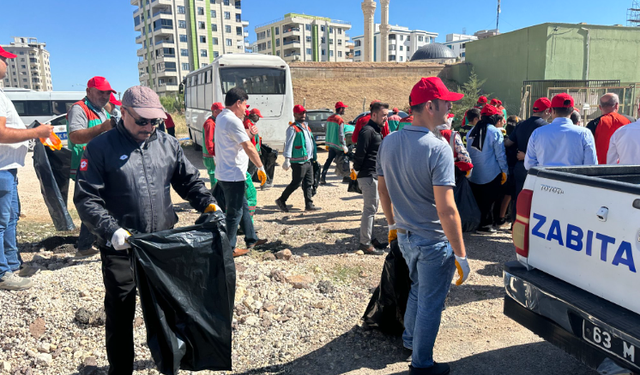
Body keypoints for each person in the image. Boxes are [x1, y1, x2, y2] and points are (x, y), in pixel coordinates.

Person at [73, 86, 218, 374]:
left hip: (160, 244)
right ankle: (121, 370)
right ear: (123, 112)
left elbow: (189, 182)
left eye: (155, 121)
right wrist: (112, 230)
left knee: (167, 309)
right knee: (121, 310)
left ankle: (170, 366)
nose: (149, 127)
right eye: (142, 121)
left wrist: (208, 204)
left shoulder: (167, 144)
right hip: (120, 246)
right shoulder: (100, 148)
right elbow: (86, 198)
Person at [377, 77, 470, 375]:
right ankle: (422, 365)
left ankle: (410, 340)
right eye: (446, 103)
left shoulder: (390, 140)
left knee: (418, 289)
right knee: (430, 302)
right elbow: (447, 209)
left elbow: (383, 188)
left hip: (405, 236)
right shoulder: (438, 147)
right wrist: (461, 255)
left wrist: (392, 223)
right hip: (433, 240)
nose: (449, 108)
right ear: (430, 106)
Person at [0, 46, 54, 290]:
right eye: (4, 59)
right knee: (1, 221)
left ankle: (12, 264)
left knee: (10, 218)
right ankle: (2, 273)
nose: (7, 64)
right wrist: (36, 132)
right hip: (1, 169)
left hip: (8, 168)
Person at [67, 76, 117, 259]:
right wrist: (103, 128)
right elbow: (75, 137)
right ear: (88, 91)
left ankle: (93, 242)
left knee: (104, 203)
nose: (105, 96)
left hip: (102, 165)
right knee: (90, 204)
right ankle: (85, 246)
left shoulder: (103, 110)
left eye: (108, 93)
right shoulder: (80, 109)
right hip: (87, 166)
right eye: (100, 92)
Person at [215, 87, 268, 257]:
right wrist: (261, 167)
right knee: (234, 212)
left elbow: (237, 137)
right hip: (233, 174)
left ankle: (251, 238)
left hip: (226, 172)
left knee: (243, 206)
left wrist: (248, 133)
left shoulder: (223, 117)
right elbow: (248, 147)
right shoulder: (233, 120)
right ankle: (229, 248)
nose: (246, 109)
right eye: (245, 105)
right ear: (238, 103)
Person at [504, 97, 551, 220]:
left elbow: (508, 143)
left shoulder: (521, 124)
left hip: (520, 166)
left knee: (519, 197)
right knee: (536, 200)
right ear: (546, 111)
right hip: (537, 168)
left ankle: (515, 224)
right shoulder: (546, 127)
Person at [353, 101, 390, 255]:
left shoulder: (375, 131)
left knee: (373, 209)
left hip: (373, 175)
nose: (385, 119)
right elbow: (359, 155)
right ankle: (365, 243)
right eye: (383, 115)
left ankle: (371, 239)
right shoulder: (367, 131)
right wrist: (360, 171)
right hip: (368, 175)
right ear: (374, 115)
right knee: (370, 209)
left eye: (387, 116)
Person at [525, 93, 597, 170]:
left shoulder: (537, 133)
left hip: (544, 179)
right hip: (573, 180)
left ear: (552, 110)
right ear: (572, 111)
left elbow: (529, 165)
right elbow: (591, 165)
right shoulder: (585, 133)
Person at [466, 104, 508, 232]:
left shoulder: (471, 131)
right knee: (489, 201)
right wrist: (505, 171)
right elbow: (500, 154)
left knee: (477, 200)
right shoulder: (495, 132)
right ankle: (486, 224)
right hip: (491, 173)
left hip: (474, 174)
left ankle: (476, 224)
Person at [275, 105, 321, 212]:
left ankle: (309, 204)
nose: (303, 115)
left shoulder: (306, 127)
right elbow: (289, 144)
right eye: (300, 113)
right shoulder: (292, 128)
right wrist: (287, 159)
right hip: (298, 161)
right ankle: (281, 200)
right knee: (296, 182)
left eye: (304, 113)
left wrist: (313, 157)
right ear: (295, 114)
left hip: (308, 160)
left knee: (308, 183)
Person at [586, 93, 633, 164]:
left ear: (600, 107)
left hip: (600, 169)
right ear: (617, 105)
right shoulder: (630, 121)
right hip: (626, 168)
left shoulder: (593, 124)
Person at [321, 101, 349, 184]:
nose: (344, 110)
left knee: (328, 161)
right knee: (344, 160)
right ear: (340, 109)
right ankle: (346, 177)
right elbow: (341, 134)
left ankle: (323, 176)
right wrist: (344, 145)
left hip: (331, 144)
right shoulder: (340, 120)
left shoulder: (329, 118)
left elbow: (326, 130)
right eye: (343, 108)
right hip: (338, 145)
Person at [203, 102, 224, 189]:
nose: (222, 113)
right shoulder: (210, 124)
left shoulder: (213, 122)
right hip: (210, 155)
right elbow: (209, 141)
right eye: (221, 111)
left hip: (211, 154)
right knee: (214, 176)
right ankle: (215, 197)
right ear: (215, 112)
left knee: (216, 176)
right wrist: (214, 154)